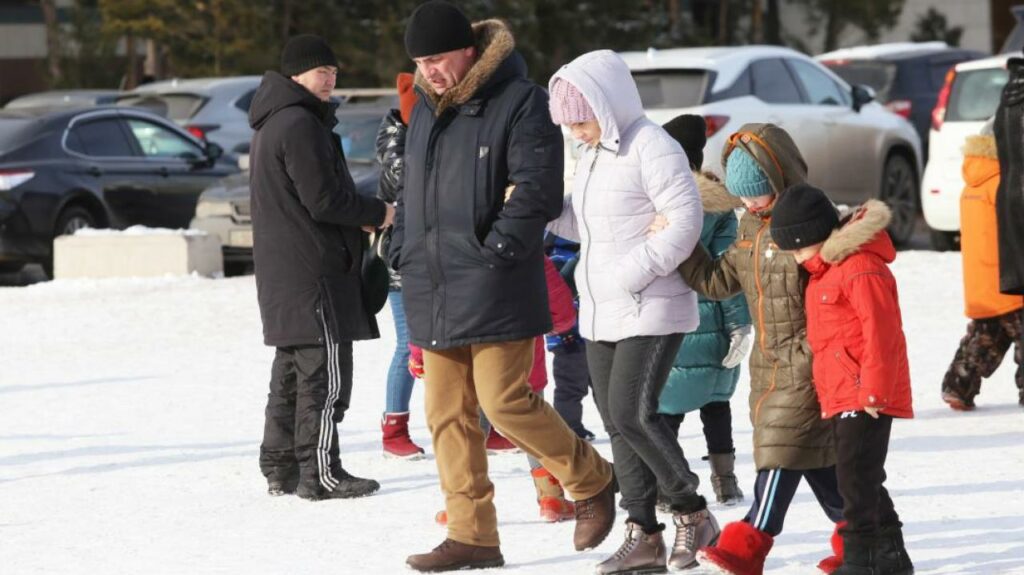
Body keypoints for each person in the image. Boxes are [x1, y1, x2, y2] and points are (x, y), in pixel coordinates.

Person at [391, 3, 616, 571]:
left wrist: (497, 250)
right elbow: (413, 192)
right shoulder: (424, 110)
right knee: (446, 416)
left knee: (506, 403)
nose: (430, 70)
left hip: (495, 281)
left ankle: (591, 481)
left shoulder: (521, 101)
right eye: (420, 61)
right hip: (433, 282)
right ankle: (473, 535)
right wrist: (399, 250)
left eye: (437, 58)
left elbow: (536, 189)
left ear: (468, 50)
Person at [547, 50, 720, 575]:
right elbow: (593, 226)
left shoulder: (653, 145)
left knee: (632, 413)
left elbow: (684, 219)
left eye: (580, 118)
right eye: (568, 124)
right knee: (617, 424)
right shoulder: (597, 153)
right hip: (602, 311)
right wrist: (546, 212)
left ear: (607, 103)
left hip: (650, 305)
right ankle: (643, 533)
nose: (575, 131)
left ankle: (693, 512)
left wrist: (631, 274)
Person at [673, 125, 845, 575]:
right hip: (767, 368)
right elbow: (717, 280)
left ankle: (747, 544)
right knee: (816, 462)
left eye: (760, 195)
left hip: (807, 365)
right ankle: (865, 535)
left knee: (780, 452)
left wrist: (821, 354)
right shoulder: (750, 227)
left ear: (781, 179)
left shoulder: (811, 222)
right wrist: (682, 243)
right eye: (744, 197)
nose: (751, 205)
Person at [249, 34, 394, 500]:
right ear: (296, 75)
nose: (329, 78)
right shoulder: (299, 124)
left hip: (285, 274)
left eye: (333, 71)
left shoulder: (273, 122)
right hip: (314, 275)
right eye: (320, 71)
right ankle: (320, 474)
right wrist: (377, 213)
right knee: (325, 380)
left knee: (290, 376)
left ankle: (281, 468)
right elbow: (324, 199)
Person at [770, 184, 914, 575]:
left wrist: (873, 390)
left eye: (798, 250)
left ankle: (860, 559)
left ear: (816, 236)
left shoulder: (859, 267)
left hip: (866, 393)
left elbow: (881, 333)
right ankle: (890, 556)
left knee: (854, 476)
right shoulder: (826, 271)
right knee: (859, 474)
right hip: (842, 391)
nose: (797, 260)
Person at [658, 114, 751, 507]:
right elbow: (729, 272)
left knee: (666, 410)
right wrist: (738, 324)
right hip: (711, 324)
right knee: (716, 404)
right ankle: (725, 480)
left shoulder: (655, 201)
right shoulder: (718, 208)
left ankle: (670, 484)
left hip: (667, 322)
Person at [942, 119, 1024, 410]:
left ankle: (958, 384)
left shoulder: (975, 181)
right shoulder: (1007, 183)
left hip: (982, 280)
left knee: (986, 336)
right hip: (1011, 279)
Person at [375, 72, 426, 459]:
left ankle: (485, 426)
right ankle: (395, 427)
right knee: (409, 345)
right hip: (402, 262)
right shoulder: (397, 137)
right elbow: (399, 183)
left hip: (440, 256)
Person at [545, 232, 597, 441]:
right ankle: (568, 427)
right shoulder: (559, 261)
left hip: (580, 335)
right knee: (571, 386)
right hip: (568, 338)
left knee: (591, 385)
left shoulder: (563, 257)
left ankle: (573, 426)